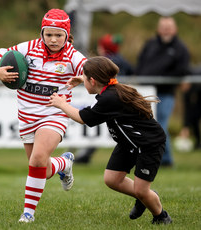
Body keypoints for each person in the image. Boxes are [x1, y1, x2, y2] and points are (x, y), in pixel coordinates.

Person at [49, 56, 172, 225]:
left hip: (148, 144)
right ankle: (144, 196)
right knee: (112, 180)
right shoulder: (110, 89)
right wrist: (81, 78)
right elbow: (95, 88)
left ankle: (161, 217)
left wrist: (61, 104)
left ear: (93, 81)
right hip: (128, 144)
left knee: (142, 190)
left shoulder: (109, 98)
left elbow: (83, 118)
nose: (83, 81)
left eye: (84, 79)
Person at [0, 8, 86, 223]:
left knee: (37, 160)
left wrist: (83, 77)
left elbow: (90, 68)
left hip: (54, 115)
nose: (53, 39)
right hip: (27, 117)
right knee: (41, 168)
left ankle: (28, 214)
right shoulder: (28, 48)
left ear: (66, 35)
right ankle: (63, 164)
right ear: (41, 33)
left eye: (58, 35)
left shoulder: (72, 55)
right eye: (48, 34)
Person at [136, 16, 190, 166]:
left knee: (160, 125)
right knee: (146, 125)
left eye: (169, 27)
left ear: (175, 29)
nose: (166, 30)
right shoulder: (150, 44)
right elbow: (140, 64)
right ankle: (149, 158)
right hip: (146, 91)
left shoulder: (180, 48)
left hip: (166, 94)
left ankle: (166, 160)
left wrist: (162, 76)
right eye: (164, 27)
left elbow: (182, 69)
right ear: (159, 29)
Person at [75, 34, 134, 164]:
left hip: (107, 100)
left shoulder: (103, 62)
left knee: (95, 124)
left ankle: (84, 155)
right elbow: (132, 71)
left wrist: (60, 103)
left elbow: (82, 118)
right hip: (116, 101)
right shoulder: (122, 60)